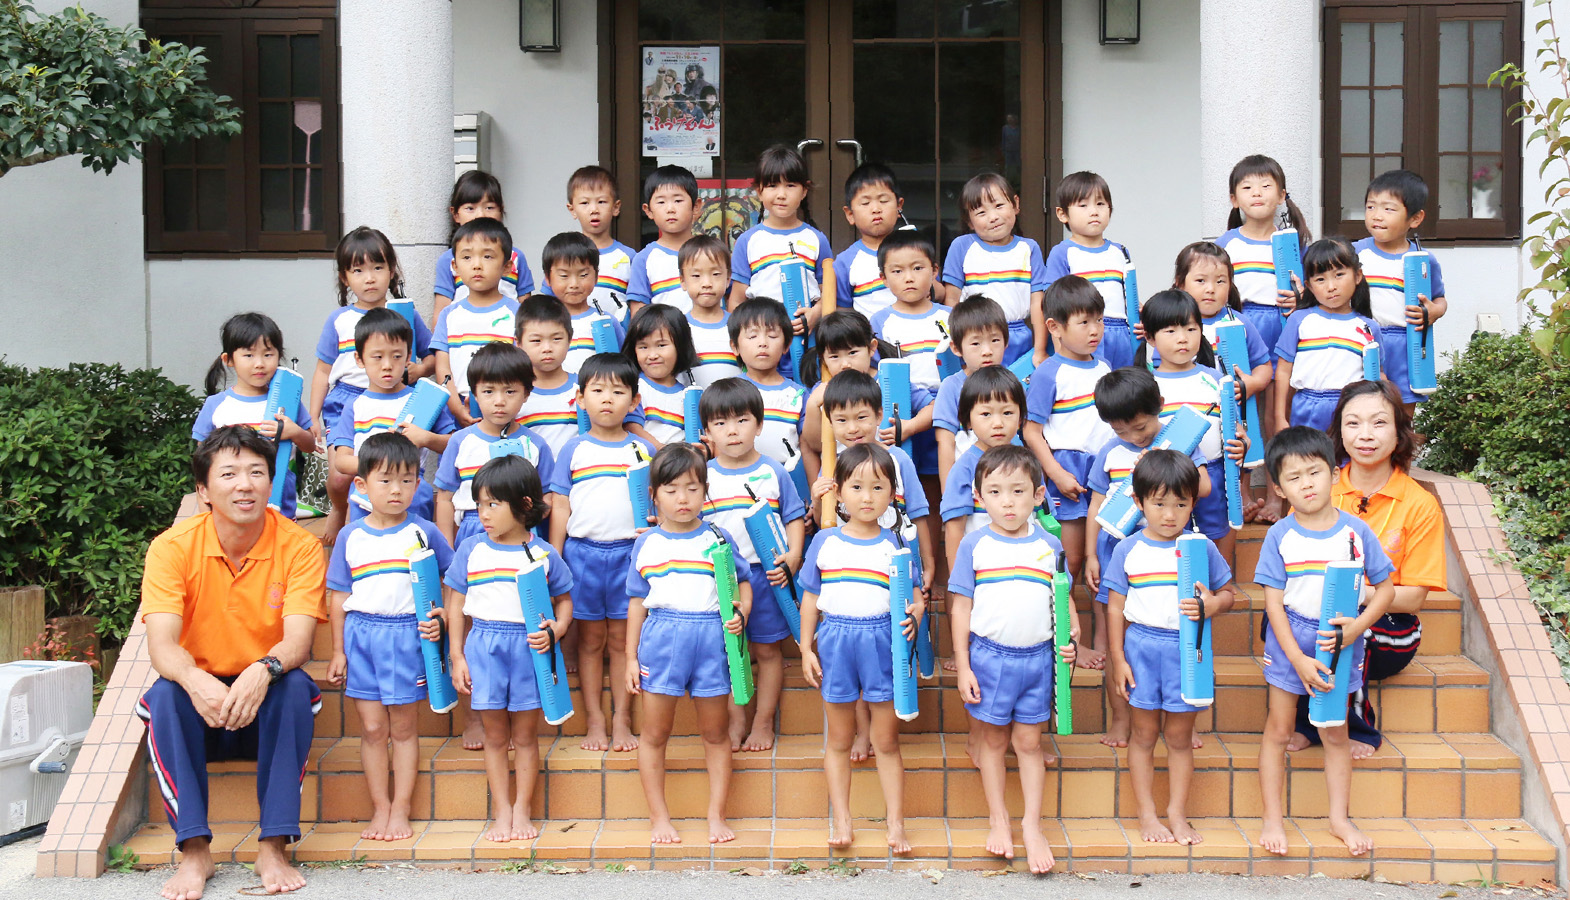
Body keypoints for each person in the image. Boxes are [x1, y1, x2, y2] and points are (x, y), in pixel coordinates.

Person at [137, 426, 327, 898]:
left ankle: (273, 845)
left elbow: (298, 641)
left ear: (271, 480)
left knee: (295, 687)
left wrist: (262, 671)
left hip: (263, 696)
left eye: (256, 472)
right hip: (203, 702)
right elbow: (161, 645)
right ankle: (195, 850)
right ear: (203, 490)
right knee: (164, 695)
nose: (245, 484)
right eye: (229, 474)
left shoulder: (298, 546)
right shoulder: (171, 548)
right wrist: (195, 680)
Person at [1286, 379, 1446, 757]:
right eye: (1353, 423)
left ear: (1398, 431)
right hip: (1320, 610)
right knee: (1286, 621)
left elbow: (1413, 599)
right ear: (1339, 431)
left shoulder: (1418, 504)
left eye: (1379, 423)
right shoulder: (1318, 487)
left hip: (1391, 626)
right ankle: (1298, 718)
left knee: (1351, 629)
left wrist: (1353, 593)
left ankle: (1354, 724)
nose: (1365, 435)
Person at [1255, 427, 1395, 858]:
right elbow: (1273, 606)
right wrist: (1295, 657)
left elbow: (1386, 588)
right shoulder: (1280, 535)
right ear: (1279, 488)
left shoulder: (1356, 532)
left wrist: (1358, 627)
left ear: (1335, 474)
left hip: (1341, 639)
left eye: (1314, 472)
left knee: (1334, 732)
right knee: (1279, 731)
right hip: (1291, 638)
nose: (1307, 484)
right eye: (1293, 478)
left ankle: (1339, 818)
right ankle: (1272, 818)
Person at [947, 444, 1076, 873]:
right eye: (996, 492)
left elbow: (1064, 601)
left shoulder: (1049, 543)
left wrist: (1071, 634)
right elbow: (960, 607)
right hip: (989, 658)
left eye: (1018, 491)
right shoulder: (974, 543)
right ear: (978, 498)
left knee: (1028, 742)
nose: (1008, 502)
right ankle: (998, 818)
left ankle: (1032, 825)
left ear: (1038, 495)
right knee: (994, 741)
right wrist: (963, 664)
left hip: (1038, 659)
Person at [324, 433, 453, 842]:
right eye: (385, 480)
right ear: (361, 486)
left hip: (406, 637)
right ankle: (379, 807)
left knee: (402, 729)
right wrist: (337, 651)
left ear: (419, 484)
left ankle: (401, 809)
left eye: (407, 480)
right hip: (363, 636)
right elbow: (339, 595)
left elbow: (452, 582)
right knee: (373, 729)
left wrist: (442, 619)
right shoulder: (351, 536)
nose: (396, 490)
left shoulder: (425, 531)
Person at [1103, 449, 1236, 846]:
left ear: (1193, 503)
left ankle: (1177, 813)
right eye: (1159, 504)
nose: (1169, 514)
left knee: (1179, 738)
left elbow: (1228, 593)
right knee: (1143, 736)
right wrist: (1118, 659)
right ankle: (1147, 815)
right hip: (1141, 648)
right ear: (1139, 501)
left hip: (1186, 649)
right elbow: (1114, 607)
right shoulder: (1128, 550)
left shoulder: (1201, 548)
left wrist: (1214, 604)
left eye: (1181, 504)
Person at [799, 442, 924, 854]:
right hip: (835, 641)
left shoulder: (897, 545)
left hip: (882, 642)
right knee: (838, 738)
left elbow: (916, 596)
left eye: (877, 488)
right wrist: (805, 649)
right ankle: (843, 818)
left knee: (886, 741)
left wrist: (915, 613)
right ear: (840, 492)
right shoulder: (825, 542)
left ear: (892, 494)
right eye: (856, 487)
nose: (866, 497)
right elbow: (811, 600)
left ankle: (896, 823)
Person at [807, 370, 936, 761]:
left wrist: (928, 562)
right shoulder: (834, 463)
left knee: (895, 645)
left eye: (862, 417)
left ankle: (889, 723)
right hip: (851, 566)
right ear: (829, 422)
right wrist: (816, 500)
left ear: (879, 415)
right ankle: (862, 731)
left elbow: (918, 512)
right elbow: (825, 522)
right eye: (841, 420)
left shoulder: (896, 459)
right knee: (856, 655)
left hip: (897, 565)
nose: (853, 427)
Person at [626, 444, 750, 844]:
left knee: (715, 733)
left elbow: (742, 585)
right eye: (672, 489)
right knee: (654, 733)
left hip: (713, 637)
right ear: (654, 494)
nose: (683, 498)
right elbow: (635, 603)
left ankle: (717, 815)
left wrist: (741, 612)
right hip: (662, 639)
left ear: (706, 490)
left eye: (693, 488)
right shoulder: (647, 543)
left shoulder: (717, 536)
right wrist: (630, 657)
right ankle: (658, 818)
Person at [1083, 368, 1214, 746]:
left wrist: (1163, 460)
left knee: (1184, 634)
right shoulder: (1109, 453)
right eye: (1121, 431)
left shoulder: (1180, 439)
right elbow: (1097, 505)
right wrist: (1091, 554)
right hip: (1120, 556)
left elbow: (1203, 487)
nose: (1133, 437)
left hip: (1175, 561)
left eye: (1139, 427)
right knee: (1116, 640)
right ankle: (1122, 721)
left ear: (1159, 406)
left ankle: (1183, 725)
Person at [445, 456, 572, 842]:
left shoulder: (543, 553)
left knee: (526, 737)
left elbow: (565, 600)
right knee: (495, 736)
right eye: (479, 503)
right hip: (483, 645)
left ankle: (522, 809)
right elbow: (455, 602)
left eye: (493, 504)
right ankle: (501, 810)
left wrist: (558, 629)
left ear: (524, 505)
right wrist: (456, 656)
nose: (483, 513)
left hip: (529, 650)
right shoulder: (470, 549)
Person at [548, 353, 655, 752]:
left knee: (621, 642)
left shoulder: (643, 450)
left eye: (617, 391)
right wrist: (556, 558)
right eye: (597, 390)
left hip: (630, 556)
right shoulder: (573, 450)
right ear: (580, 398)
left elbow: (658, 504)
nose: (607, 399)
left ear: (635, 401)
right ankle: (595, 719)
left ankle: (622, 719)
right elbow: (561, 506)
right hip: (582, 556)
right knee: (590, 642)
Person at [698, 378, 806, 752]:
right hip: (720, 580)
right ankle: (736, 718)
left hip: (765, 575)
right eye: (721, 423)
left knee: (767, 651)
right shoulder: (702, 476)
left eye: (742, 420)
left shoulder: (772, 471)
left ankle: (763, 722)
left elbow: (794, 517)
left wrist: (792, 557)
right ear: (706, 431)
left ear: (759, 425)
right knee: (730, 649)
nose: (733, 430)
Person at [311, 227, 433, 539]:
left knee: (390, 468)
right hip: (345, 399)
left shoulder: (404, 314)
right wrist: (312, 415)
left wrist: (418, 371)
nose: (370, 278)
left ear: (391, 271)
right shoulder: (338, 320)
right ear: (345, 277)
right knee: (341, 475)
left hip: (395, 397)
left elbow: (431, 355)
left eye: (378, 268)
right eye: (359, 270)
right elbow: (323, 371)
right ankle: (340, 507)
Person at [1135, 290, 1249, 569]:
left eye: (1190, 328)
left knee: (1214, 533)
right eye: (1170, 330)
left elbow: (1234, 428)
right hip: (1163, 480)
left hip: (1211, 472)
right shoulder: (1146, 384)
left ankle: (1215, 584)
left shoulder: (1214, 378)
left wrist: (1242, 443)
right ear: (1150, 337)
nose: (1183, 337)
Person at [1216, 154, 1311, 454]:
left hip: (1280, 327)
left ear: (1282, 195)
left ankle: (1275, 495)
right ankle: (1241, 494)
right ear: (1234, 199)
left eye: (1266, 185)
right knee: (1237, 411)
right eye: (1247, 187)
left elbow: (1311, 293)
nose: (1257, 193)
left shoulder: (1291, 245)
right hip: (1239, 327)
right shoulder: (1226, 244)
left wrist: (1299, 299)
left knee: (1276, 414)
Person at [1022, 275, 1112, 587]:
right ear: (1054, 327)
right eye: (1084, 322)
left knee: (1100, 551)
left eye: (1099, 320)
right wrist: (1056, 473)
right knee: (1069, 558)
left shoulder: (1104, 368)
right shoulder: (1049, 373)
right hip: (1066, 468)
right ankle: (1065, 626)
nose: (1095, 330)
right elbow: (1031, 431)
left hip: (1103, 467)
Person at [1172, 240, 1273, 521]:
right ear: (1180, 283)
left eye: (1220, 281)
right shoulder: (1176, 324)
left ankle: (1243, 496)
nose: (1210, 289)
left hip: (1235, 407)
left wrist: (1250, 385)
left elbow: (1265, 366)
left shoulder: (1238, 322)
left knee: (1237, 450)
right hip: (1193, 406)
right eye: (1201, 280)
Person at [327, 309, 455, 524]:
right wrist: (382, 467)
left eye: (396, 356)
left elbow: (454, 445)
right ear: (359, 359)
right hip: (365, 495)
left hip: (412, 491)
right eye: (377, 357)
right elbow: (342, 461)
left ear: (407, 357)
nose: (387, 365)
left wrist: (426, 439)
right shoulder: (355, 406)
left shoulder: (424, 400)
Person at [196, 313, 316, 519]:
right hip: (231, 502)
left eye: (268, 354)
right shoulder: (217, 405)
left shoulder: (288, 402)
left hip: (280, 502)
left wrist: (294, 432)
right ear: (229, 360)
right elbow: (201, 461)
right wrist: (204, 511)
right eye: (249, 355)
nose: (259, 363)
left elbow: (310, 445)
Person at [1354, 169, 1449, 416]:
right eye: (1371, 207)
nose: (1377, 216)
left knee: (1402, 418)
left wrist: (1434, 311)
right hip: (1363, 342)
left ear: (1415, 219)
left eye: (1389, 209)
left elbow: (1439, 298)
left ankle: (1402, 457)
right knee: (1362, 411)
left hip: (1405, 345)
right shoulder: (1354, 254)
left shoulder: (1422, 261)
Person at [728, 145, 836, 356]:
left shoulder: (816, 239)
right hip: (762, 342)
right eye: (772, 185)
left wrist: (815, 314)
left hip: (807, 339)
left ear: (804, 191)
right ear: (759, 191)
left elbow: (829, 293)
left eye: (790, 185)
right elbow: (737, 301)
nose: (781, 194)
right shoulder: (748, 241)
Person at [1272, 237, 1383, 433]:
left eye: (1339, 274)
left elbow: (1378, 375)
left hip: (1351, 409)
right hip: (1306, 407)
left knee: (1346, 461)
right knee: (1308, 461)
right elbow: (1282, 371)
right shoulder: (1299, 320)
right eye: (1320, 279)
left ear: (1358, 276)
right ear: (1309, 285)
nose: (1331, 286)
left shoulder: (1368, 327)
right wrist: (1280, 416)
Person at [941, 173, 1048, 366]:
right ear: (970, 222)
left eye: (999, 206)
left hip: (1018, 337)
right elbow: (951, 301)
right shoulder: (962, 246)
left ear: (1015, 204)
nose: (993, 217)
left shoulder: (1029, 248)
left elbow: (1037, 303)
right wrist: (958, 345)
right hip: (976, 338)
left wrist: (1039, 350)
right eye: (981, 213)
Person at [942, 366, 1039, 571]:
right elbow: (954, 528)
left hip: (1026, 565)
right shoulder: (965, 468)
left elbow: (1043, 516)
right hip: (983, 569)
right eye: (986, 414)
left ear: (1021, 417)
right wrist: (959, 579)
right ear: (968, 419)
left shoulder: (1028, 462)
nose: (998, 423)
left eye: (1007, 412)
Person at [433, 217, 523, 427]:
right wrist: (455, 406)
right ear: (454, 266)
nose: (477, 265)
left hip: (506, 411)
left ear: (507, 267)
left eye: (488, 256)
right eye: (467, 257)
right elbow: (443, 366)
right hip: (457, 412)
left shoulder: (518, 314)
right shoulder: (449, 315)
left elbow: (523, 367)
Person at [1041, 172, 1136, 369]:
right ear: (1062, 214)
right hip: (1085, 332)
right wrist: (1060, 349)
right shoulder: (1063, 252)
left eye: (1100, 204)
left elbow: (1128, 297)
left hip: (1121, 335)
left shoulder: (1120, 251)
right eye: (1083, 205)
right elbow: (1053, 303)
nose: (1094, 211)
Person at [432, 170, 534, 321]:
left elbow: (527, 308)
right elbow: (441, 312)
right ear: (455, 214)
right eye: (470, 208)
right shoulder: (448, 260)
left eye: (489, 207)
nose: (480, 215)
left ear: (501, 210)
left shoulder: (516, 257)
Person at [931, 295, 1011, 487]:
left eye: (995, 340)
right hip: (967, 482)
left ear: (1006, 342)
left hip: (1008, 481)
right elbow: (946, 443)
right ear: (956, 348)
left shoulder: (1010, 382)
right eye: (976, 343)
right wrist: (949, 495)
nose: (987, 351)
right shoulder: (952, 386)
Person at [869, 231, 951, 393]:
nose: (909, 278)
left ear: (934, 271)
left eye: (917, 268)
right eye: (897, 271)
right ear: (883, 277)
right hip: (902, 401)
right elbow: (876, 372)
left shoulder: (951, 317)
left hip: (949, 401)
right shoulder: (879, 322)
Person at [730, 298, 807, 468]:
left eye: (772, 335)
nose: (763, 343)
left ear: (786, 345)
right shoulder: (728, 393)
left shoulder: (799, 395)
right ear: (735, 347)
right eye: (752, 336)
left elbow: (807, 447)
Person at [541, 232, 625, 375]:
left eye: (583, 275)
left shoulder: (607, 322)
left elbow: (622, 365)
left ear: (596, 276)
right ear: (548, 278)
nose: (574, 284)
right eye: (564, 276)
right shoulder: (541, 323)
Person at [834, 162, 907, 320]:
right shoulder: (845, 262)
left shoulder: (913, 249)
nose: (876, 209)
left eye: (883, 201)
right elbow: (843, 313)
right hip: (870, 341)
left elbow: (937, 292)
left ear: (899, 206)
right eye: (865, 203)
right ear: (850, 214)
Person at [564, 165, 634, 326]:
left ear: (616, 207)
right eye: (584, 203)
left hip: (616, 342)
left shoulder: (629, 257)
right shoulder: (564, 255)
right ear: (572, 209)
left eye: (601, 202)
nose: (594, 209)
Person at [514, 295, 582, 458]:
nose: (547, 348)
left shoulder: (584, 387)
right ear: (519, 343)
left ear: (569, 339)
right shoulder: (513, 392)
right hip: (529, 479)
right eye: (536, 340)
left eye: (556, 339)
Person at [628, 165, 700, 316]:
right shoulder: (644, 259)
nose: (670, 209)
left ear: (696, 206)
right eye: (661, 202)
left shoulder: (711, 253)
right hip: (664, 337)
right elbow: (639, 313)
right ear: (648, 210)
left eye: (678, 200)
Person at [624, 303, 700, 447]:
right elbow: (632, 427)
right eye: (643, 347)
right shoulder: (635, 387)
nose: (652, 355)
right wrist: (664, 453)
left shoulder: (688, 395)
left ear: (680, 346)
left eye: (661, 345)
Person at [680, 235, 745, 388]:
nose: (707, 284)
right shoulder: (678, 328)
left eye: (716, 274)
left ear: (728, 279)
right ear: (683, 281)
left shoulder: (740, 326)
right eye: (696, 276)